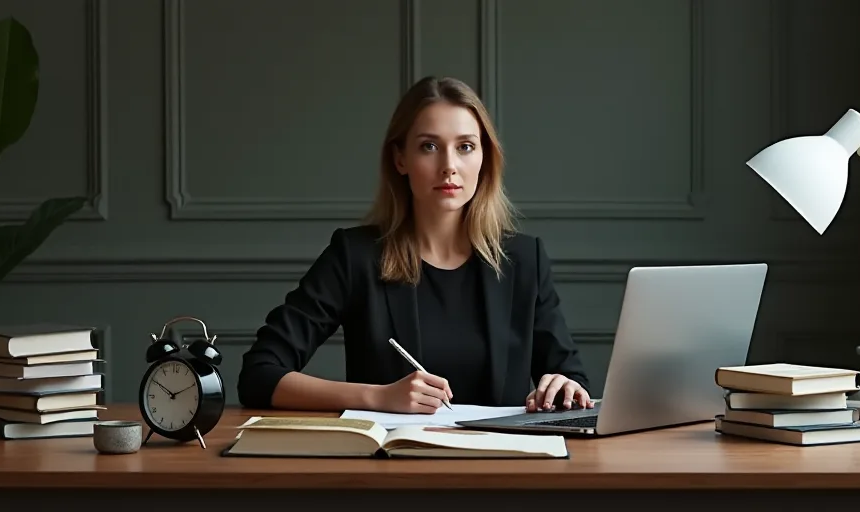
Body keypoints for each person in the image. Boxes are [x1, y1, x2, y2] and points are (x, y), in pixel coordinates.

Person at [237, 76, 593, 415]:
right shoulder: (354, 256)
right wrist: (377, 396)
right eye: (429, 147)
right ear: (400, 159)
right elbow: (259, 374)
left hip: (500, 467)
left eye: (465, 146)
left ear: (484, 157)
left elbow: (572, 380)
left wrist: (564, 386)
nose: (449, 166)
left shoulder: (524, 259)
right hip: (392, 468)